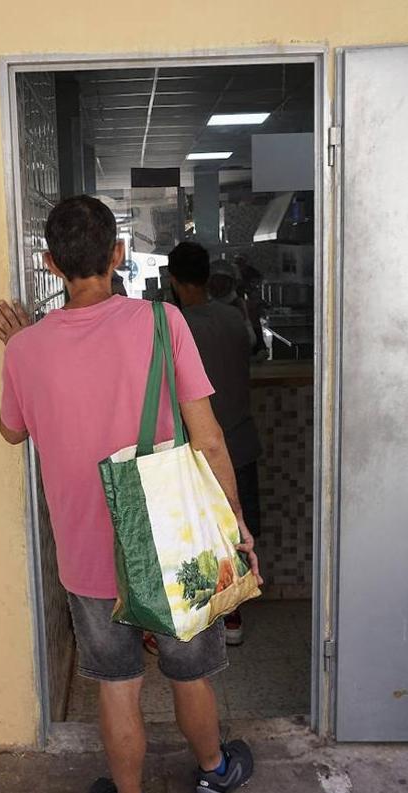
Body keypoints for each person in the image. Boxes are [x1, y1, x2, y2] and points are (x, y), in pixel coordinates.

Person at [0, 196, 260, 793]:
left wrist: (25, 345)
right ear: (118, 254)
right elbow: (211, 441)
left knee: (117, 684)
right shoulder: (164, 324)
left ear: (52, 264)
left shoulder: (25, 350)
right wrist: (237, 525)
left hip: (87, 557)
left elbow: (10, 431)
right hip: (173, 540)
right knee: (188, 671)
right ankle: (214, 770)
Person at [168, 243, 263, 646]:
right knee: (236, 533)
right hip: (241, 439)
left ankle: (218, 618)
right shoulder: (232, 318)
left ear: (173, 280)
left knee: (206, 538)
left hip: (199, 449)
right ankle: (234, 615)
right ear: (208, 276)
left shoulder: (177, 327)